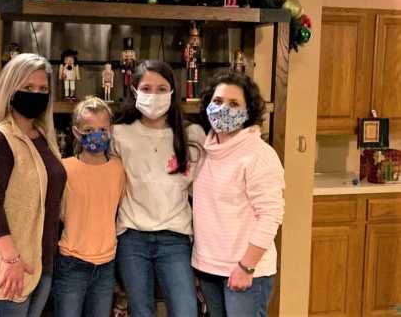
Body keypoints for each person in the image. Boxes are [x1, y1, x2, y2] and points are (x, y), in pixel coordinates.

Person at [0, 53, 67, 317]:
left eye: (43, 89)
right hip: (8, 268)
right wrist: (11, 260)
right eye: (28, 88)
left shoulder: (42, 136)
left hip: (41, 264)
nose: (36, 94)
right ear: (11, 90)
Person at [113, 60, 206, 317]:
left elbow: (200, 193)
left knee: (185, 310)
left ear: (173, 92)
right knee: (141, 311)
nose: (154, 95)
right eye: (147, 88)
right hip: (132, 237)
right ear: (134, 91)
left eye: (162, 89)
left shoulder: (192, 134)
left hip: (175, 238)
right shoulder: (119, 134)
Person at [192, 71, 285, 317]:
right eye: (218, 101)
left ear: (248, 112)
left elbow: (270, 215)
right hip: (209, 267)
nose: (223, 109)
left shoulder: (259, 154)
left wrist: (246, 266)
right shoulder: (208, 151)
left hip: (245, 270)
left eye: (234, 104)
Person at [53, 96, 125, 317]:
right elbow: (58, 213)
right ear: (76, 132)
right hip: (71, 262)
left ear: (111, 130)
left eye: (103, 129)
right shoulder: (64, 169)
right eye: (89, 129)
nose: (97, 134)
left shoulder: (118, 168)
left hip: (106, 265)